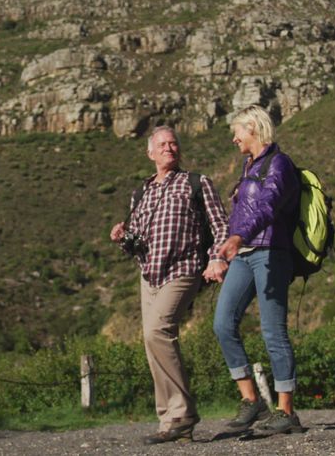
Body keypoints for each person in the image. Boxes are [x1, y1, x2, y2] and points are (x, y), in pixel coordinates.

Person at [110, 125, 229, 444]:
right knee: (153, 344)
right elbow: (136, 244)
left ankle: (182, 413)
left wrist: (217, 258)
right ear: (150, 153)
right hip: (148, 274)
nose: (169, 148)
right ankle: (171, 420)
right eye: (162, 144)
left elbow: (220, 226)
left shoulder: (195, 182)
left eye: (174, 143)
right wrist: (123, 237)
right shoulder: (141, 192)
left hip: (184, 268)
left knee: (156, 332)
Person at [205, 104, 306, 434]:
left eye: (238, 131)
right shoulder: (249, 167)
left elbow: (268, 205)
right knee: (223, 324)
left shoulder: (279, 164)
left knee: (273, 332)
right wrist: (222, 252)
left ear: (254, 129)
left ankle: (286, 411)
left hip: (270, 253)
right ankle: (252, 400)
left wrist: (239, 237)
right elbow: (240, 215)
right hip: (244, 254)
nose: (234, 138)